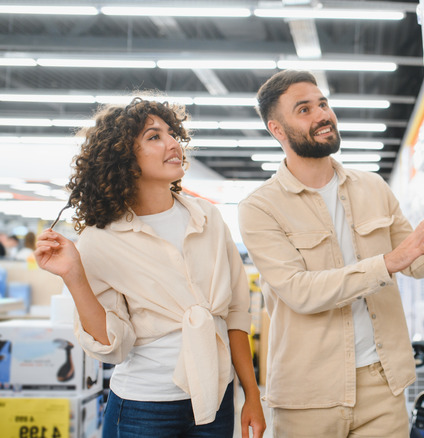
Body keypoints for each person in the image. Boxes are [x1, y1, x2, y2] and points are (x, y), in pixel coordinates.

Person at [34, 96, 266, 438]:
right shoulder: (101, 239)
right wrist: (74, 276)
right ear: (123, 158)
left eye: (172, 133)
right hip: (143, 408)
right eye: (154, 136)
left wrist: (252, 393)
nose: (173, 143)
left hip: (216, 398)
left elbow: (234, 315)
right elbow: (114, 346)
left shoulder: (208, 219)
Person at [238, 70, 424, 437]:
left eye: (323, 104)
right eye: (304, 109)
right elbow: (300, 291)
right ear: (277, 130)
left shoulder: (372, 187)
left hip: (383, 385)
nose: (322, 115)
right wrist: (386, 263)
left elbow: (420, 262)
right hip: (308, 395)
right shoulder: (260, 208)